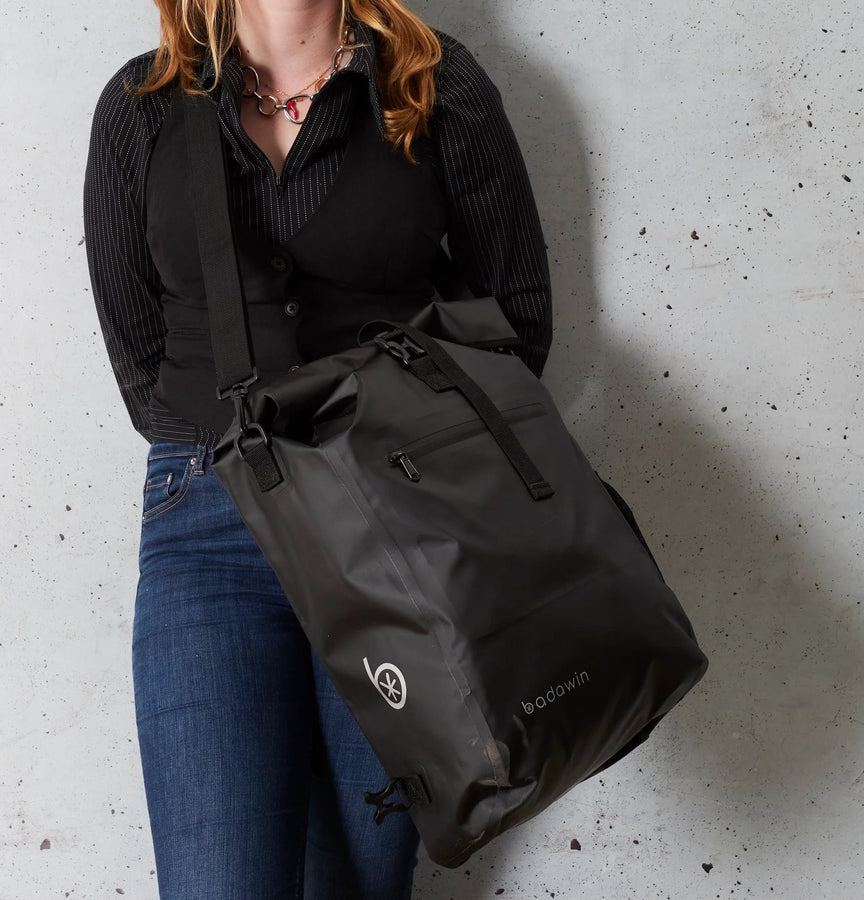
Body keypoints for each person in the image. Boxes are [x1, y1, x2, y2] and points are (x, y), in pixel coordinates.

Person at [82, 0, 552, 896]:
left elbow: (516, 323)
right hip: (210, 535)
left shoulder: (435, 86)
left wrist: (402, 448)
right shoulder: (142, 105)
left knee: (358, 884)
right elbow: (141, 358)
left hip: (400, 534)